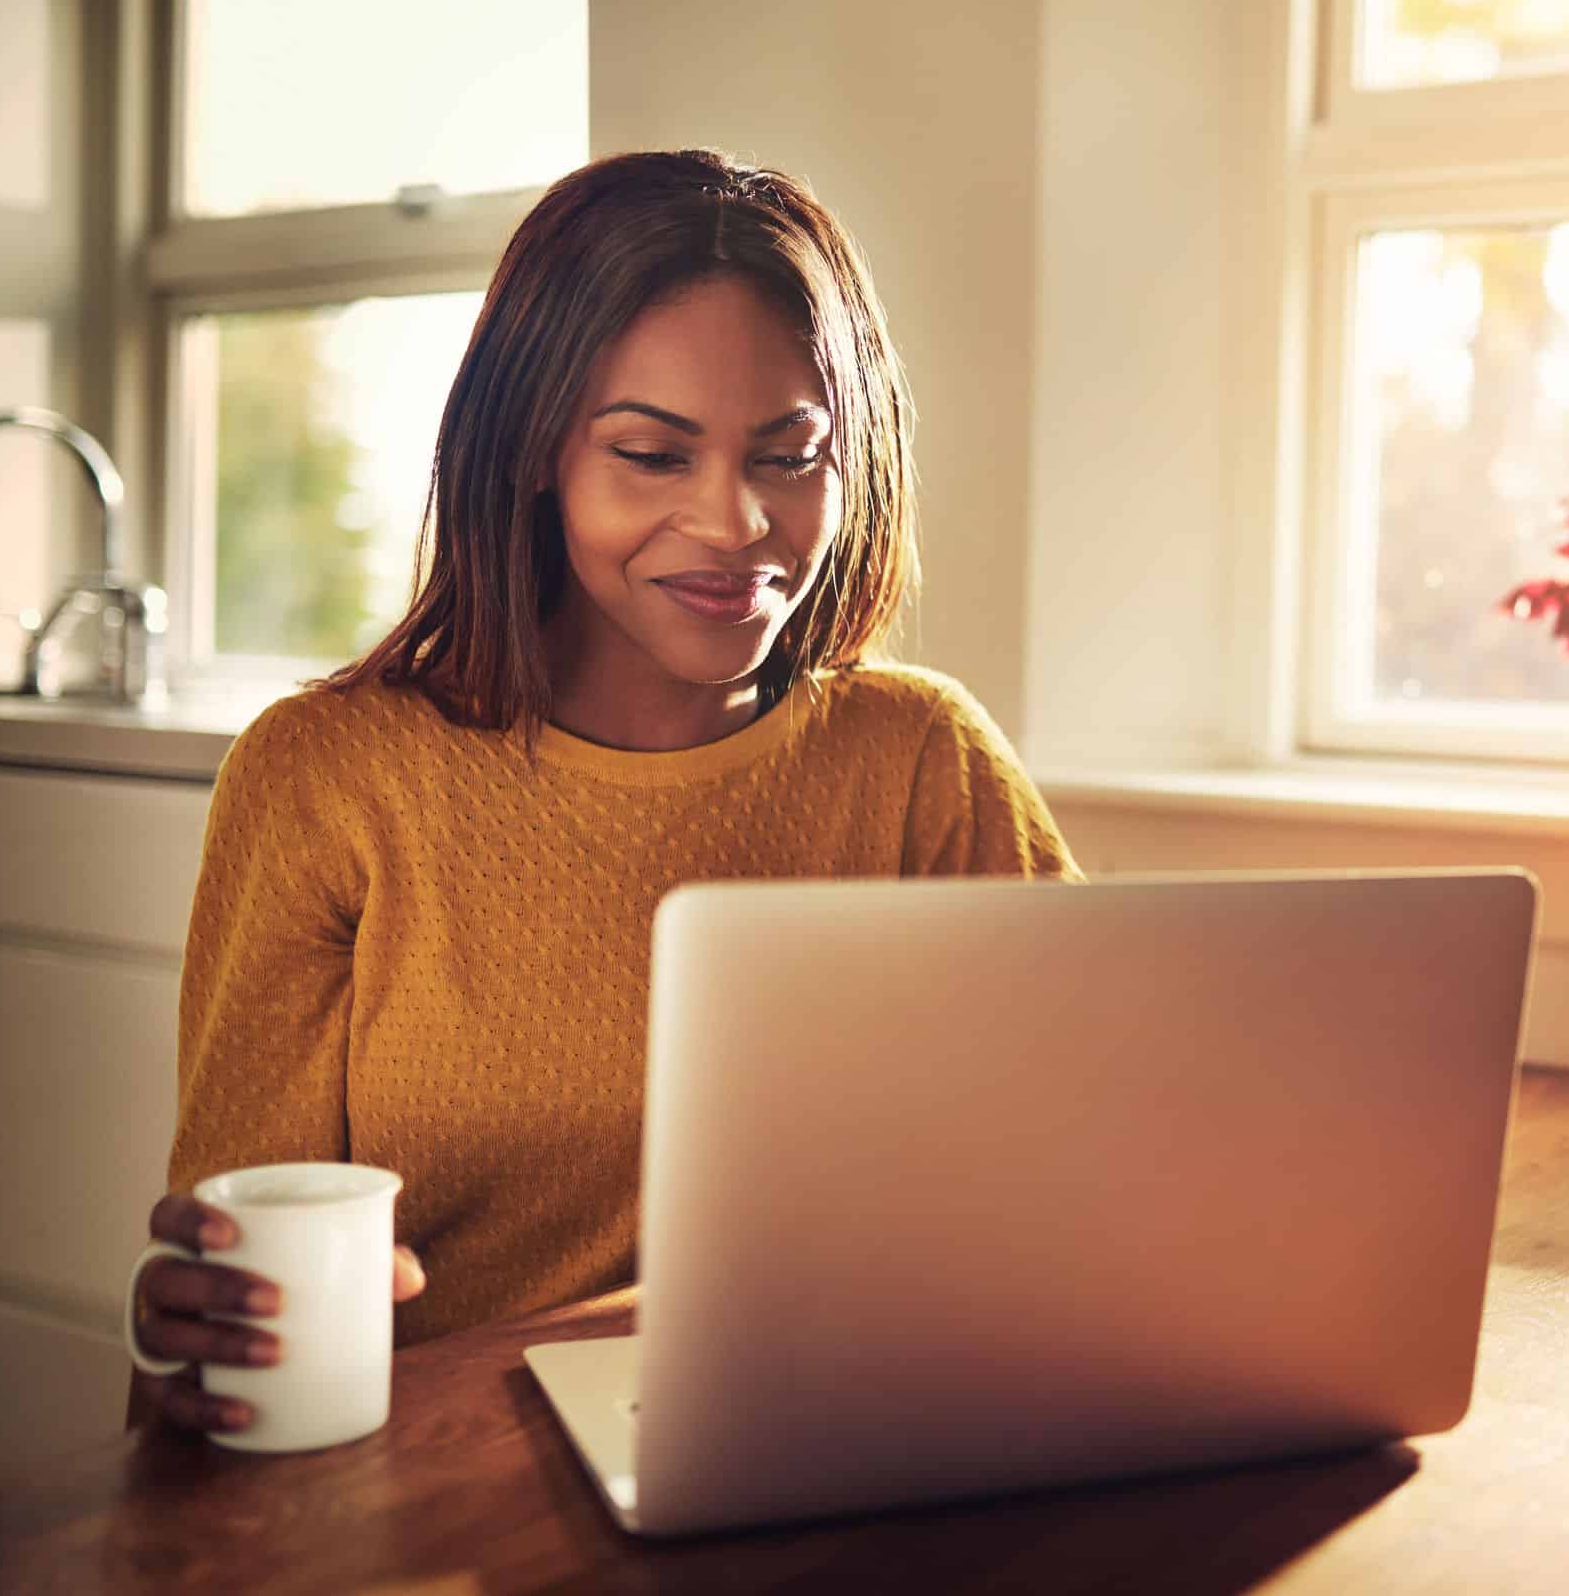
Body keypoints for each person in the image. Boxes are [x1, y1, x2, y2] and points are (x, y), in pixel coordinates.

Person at [127, 149, 1077, 1437]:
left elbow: (1094, 1171)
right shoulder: (329, 778)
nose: (736, 523)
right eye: (651, 455)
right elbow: (225, 1312)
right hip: (436, 1497)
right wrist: (204, 1334)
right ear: (533, 452)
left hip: (835, 1447)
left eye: (791, 457)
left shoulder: (922, 763)